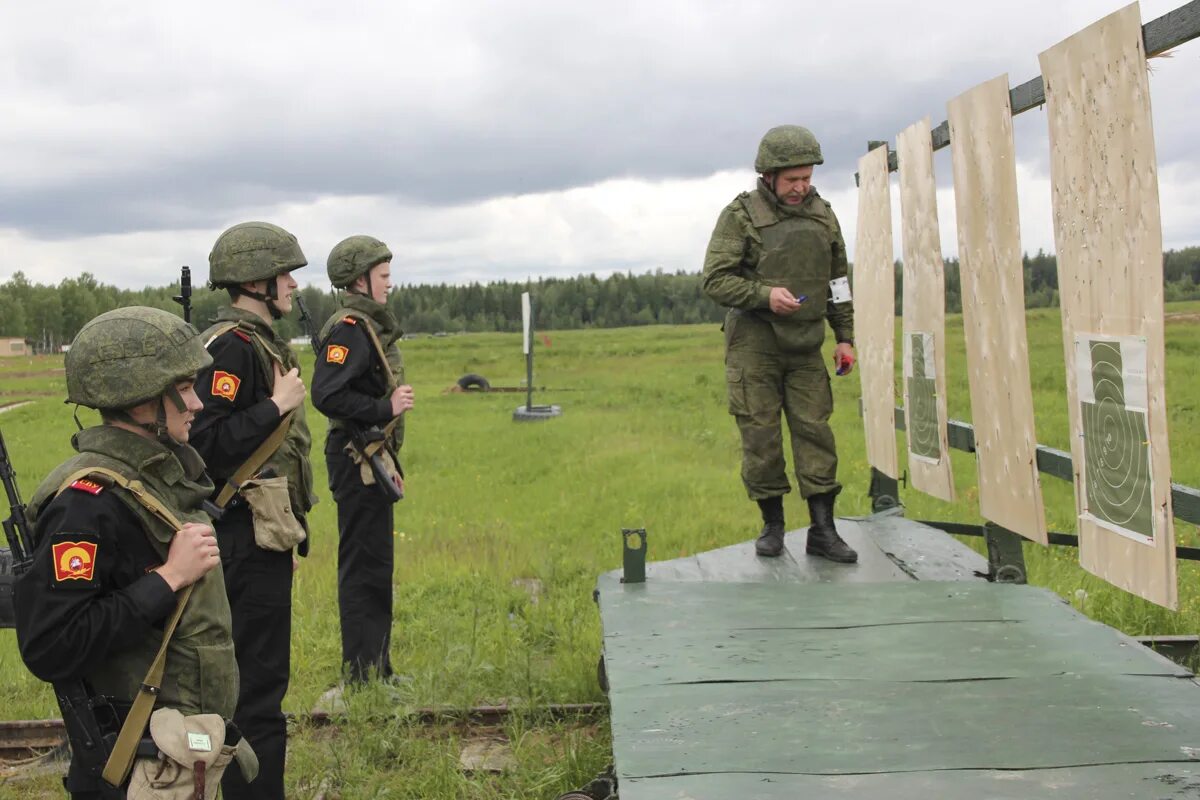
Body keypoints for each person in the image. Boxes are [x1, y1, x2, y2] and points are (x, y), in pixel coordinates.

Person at [14, 306, 250, 798]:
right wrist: (166, 580)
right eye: (183, 389)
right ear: (141, 402)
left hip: (174, 758)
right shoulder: (87, 505)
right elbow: (53, 643)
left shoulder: (157, 479)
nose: (198, 404)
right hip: (130, 767)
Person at [190, 221, 316, 800]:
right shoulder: (231, 348)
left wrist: (292, 538)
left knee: (262, 684)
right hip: (239, 537)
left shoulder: (257, 343)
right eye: (285, 274)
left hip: (262, 537)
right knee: (256, 692)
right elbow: (206, 445)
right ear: (258, 281)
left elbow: (281, 462)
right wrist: (274, 406)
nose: (293, 285)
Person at [701, 125, 858, 562]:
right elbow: (715, 280)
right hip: (755, 347)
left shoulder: (823, 215)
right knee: (761, 438)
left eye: (806, 178)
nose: (800, 187)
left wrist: (845, 336)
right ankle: (772, 526)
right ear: (769, 176)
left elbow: (838, 282)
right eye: (792, 180)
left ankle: (823, 531)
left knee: (816, 433)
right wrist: (764, 295)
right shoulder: (741, 216)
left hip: (806, 346)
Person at [311, 235, 413, 684]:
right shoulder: (351, 327)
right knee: (364, 571)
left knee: (375, 568)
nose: (390, 284)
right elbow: (327, 393)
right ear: (360, 280)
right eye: (384, 276)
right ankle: (364, 677)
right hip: (357, 459)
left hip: (371, 457)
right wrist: (384, 410)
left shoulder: (365, 324)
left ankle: (378, 670)